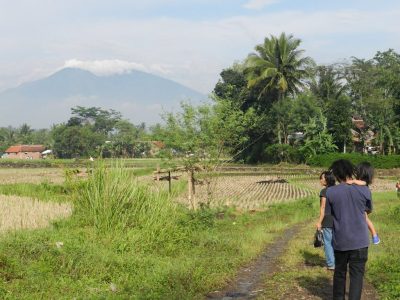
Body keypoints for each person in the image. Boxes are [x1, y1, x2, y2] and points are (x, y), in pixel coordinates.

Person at [325, 159, 372, 300]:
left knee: (339, 273)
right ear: (350, 171)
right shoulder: (365, 190)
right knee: (357, 276)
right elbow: (367, 211)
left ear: (336, 174)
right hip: (360, 241)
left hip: (341, 241)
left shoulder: (330, 192)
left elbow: (329, 215)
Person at [348, 162, 380, 245]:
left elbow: (362, 183)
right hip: (363, 204)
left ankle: (374, 234)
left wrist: (353, 181)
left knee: (365, 217)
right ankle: (374, 235)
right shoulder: (364, 183)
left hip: (362, 204)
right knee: (365, 217)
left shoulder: (363, 183)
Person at [316, 170, 336, 270]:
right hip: (338, 220)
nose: (320, 180)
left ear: (327, 179)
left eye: (322, 178)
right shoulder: (337, 190)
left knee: (328, 242)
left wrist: (319, 222)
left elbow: (323, 208)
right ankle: (338, 263)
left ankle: (331, 264)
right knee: (336, 242)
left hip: (327, 220)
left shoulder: (324, 192)